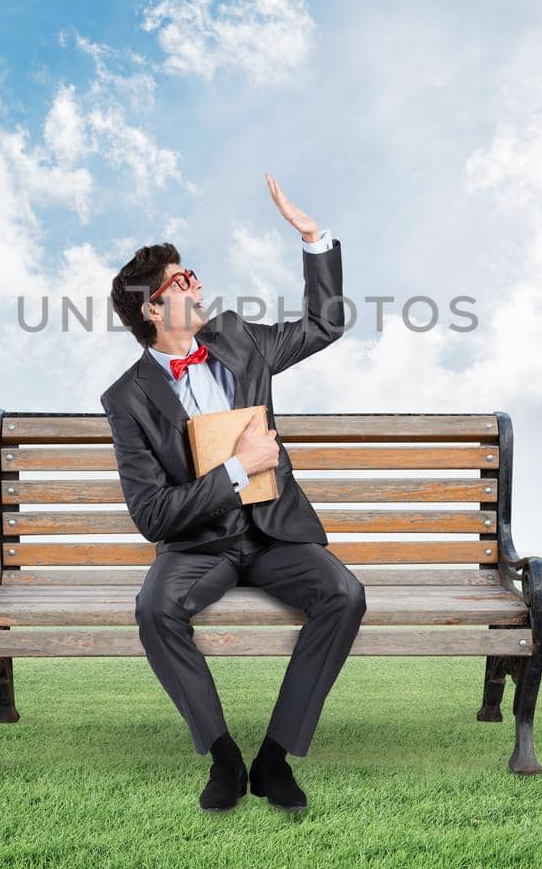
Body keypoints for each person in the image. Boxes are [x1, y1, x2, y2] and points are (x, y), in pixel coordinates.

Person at [100, 172, 364, 813]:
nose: (194, 283)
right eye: (179, 282)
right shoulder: (127, 398)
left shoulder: (239, 339)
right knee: (155, 610)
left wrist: (313, 240)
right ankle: (222, 755)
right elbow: (152, 515)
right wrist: (238, 469)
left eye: (191, 274)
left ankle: (274, 758)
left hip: (272, 531)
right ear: (152, 310)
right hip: (198, 548)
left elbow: (324, 326)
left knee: (343, 594)